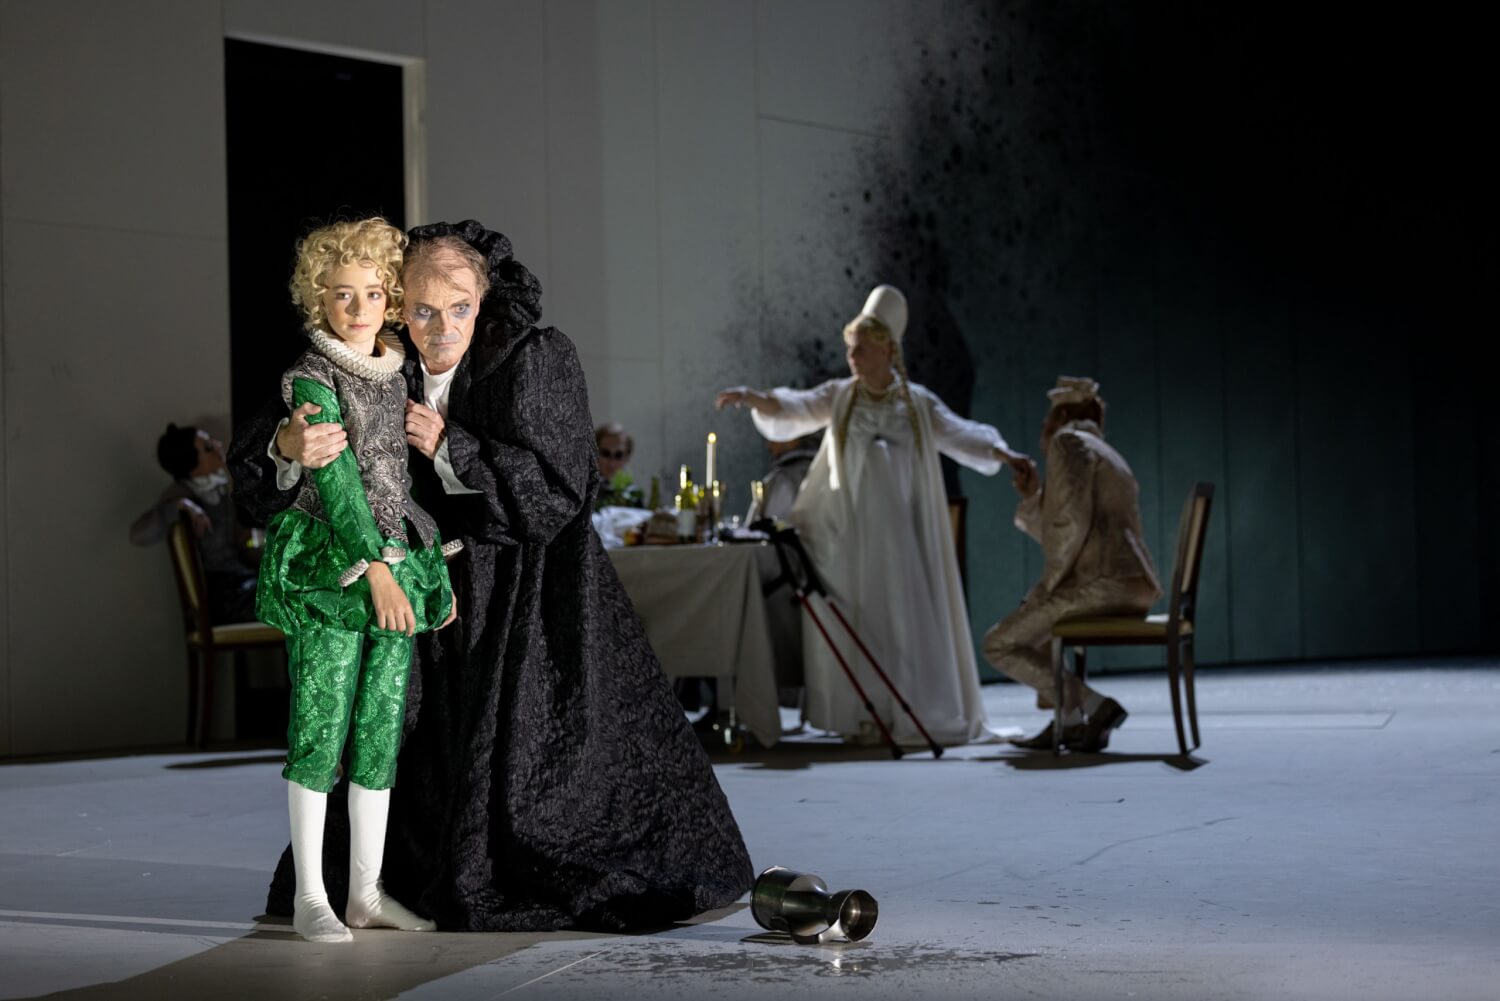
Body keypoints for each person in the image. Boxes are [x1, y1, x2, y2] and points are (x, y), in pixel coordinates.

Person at [231, 219, 752, 932]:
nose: (441, 327)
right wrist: (288, 445)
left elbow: (562, 488)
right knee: (385, 739)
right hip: (419, 595)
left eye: (459, 308)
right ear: (398, 305)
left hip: (526, 600)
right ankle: (356, 889)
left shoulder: (534, 358)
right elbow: (260, 468)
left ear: (484, 300)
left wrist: (456, 447)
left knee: (533, 776)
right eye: (421, 309)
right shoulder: (369, 361)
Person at [716, 284, 1032, 747]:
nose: (853, 356)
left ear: (887, 348)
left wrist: (1003, 454)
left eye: (862, 347)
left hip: (900, 538)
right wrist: (754, 398)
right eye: (850, 347)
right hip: (848, 537)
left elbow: (960, 434)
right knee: (854, 616)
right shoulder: (841, 397)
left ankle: (905, 708)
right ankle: (859, 715)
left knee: (899, 616)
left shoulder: (916, 403)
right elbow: (796, 407)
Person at [256, 218, 455, 943]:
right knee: (319, 724)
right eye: (343, 294)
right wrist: (374, 569)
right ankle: (312, 895)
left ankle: (366, 892)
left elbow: (401, 485)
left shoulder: (397, 374)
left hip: (394, 567)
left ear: (391, 299)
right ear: (320, 300)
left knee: (378, 729)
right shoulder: (312, 376)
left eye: (373, 292)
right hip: (332, 571)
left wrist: (419, 572)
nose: (360, 307)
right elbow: (337, 482)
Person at [982, 376, 1162, 753]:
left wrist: (1047, 590)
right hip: (1131, 584)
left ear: (1062, 416)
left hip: (1103, 583)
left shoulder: (1068, 442)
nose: (1043, 429)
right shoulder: (1104, 450)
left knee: (1000, 644)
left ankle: (1095, 706)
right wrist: (1034, 498)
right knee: (1036, 624)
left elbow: (1069, 525)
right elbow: (1073, 525)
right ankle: (1069, 723)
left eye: (1046, 420)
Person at [130, 424, 259, 624]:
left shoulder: (220, 490)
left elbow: (238, 539)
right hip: (222, 591)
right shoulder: (182, 492)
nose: (217, 446)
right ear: (192, 466)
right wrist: (180, 506)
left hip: (241, 576)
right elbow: (139, 535)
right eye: (208, 447)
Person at [748, 432, 821, 524]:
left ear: (792, 440)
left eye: (773, 438)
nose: (770, 446)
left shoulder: (782, 481)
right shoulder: (826, 471)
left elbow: (771, 526)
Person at [593, 421, 645, 510]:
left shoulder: (633, 495)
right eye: (605, 454)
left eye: (618, 455)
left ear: (627, 457)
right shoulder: (584, 492)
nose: (612, 463)